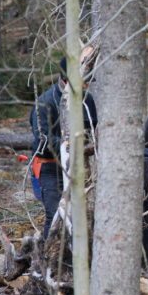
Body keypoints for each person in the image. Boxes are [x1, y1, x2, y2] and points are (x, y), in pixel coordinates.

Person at [30, 53, 98, 238]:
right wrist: (72, 143)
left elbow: (93, 128)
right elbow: (43, 142)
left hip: (79, 166)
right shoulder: (45, 103)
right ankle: (47, 259)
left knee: (83, 215)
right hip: (50, 167)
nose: (86, 85)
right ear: (65, 79)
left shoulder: (87, 100)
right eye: (83, 81)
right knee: (55, 215)